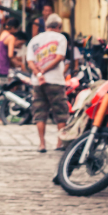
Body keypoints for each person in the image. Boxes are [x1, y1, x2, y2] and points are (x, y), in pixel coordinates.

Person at [26, 14, 69, 153]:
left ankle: (42, 144)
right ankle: (59, 143)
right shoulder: (60, 38)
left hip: (38, 82)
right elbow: (59, 57)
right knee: (60, 111)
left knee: (40, 111)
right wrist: (45, 70)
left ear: (46, 26)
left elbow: (30, 62)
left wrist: (39, 73)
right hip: (55, 80)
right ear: (59, 27)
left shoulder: (34, 40)